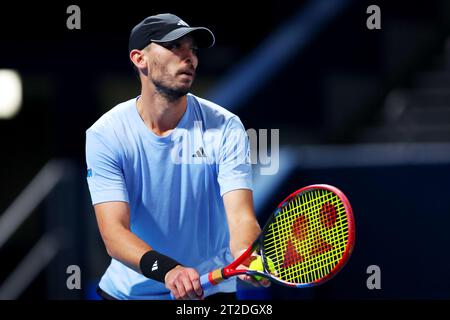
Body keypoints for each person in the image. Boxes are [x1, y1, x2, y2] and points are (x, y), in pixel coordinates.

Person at [85, 13, 269, 300]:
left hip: (209, 292)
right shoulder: (105, 134)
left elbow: (241, 216)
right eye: (174, 47)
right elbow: (114, 232)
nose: (190, 58)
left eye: (192, 49)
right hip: (129, 294)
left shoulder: (225, 126)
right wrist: (169, 270)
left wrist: (245, 252)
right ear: (139, 59)